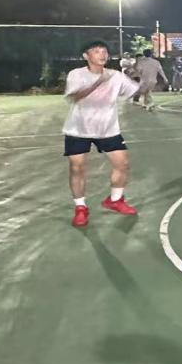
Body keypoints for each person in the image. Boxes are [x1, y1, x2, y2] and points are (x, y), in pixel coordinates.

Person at [62, 40, 142, 227]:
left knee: (122, 164)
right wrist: (98, 82)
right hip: (78, 129)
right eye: (97, 51)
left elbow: (135, 90)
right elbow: (74, 96)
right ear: (86, 56)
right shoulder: (76, 74)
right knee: (77, 168)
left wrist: (145, 82)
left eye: (104, 51)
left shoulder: (115, 75)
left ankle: (115, 200)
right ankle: (80, 208)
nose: (102, 54)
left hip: (108, 129)